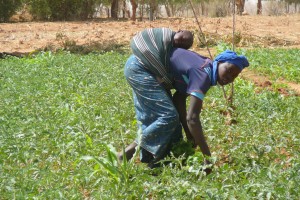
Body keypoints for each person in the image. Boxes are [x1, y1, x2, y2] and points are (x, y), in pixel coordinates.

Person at [119, 34, 249, 170]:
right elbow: (192, 119)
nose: (229, 77)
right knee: (168, 117)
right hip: (141, 69)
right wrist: (207, 157)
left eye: (234, 76)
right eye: (228, 70)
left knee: (173, 125)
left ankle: (158, 163)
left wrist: (188, 134)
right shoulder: (203, 74)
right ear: (219, 62)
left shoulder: (206, 70)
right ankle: (125, 155)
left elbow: (179, 99)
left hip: (141, 67)